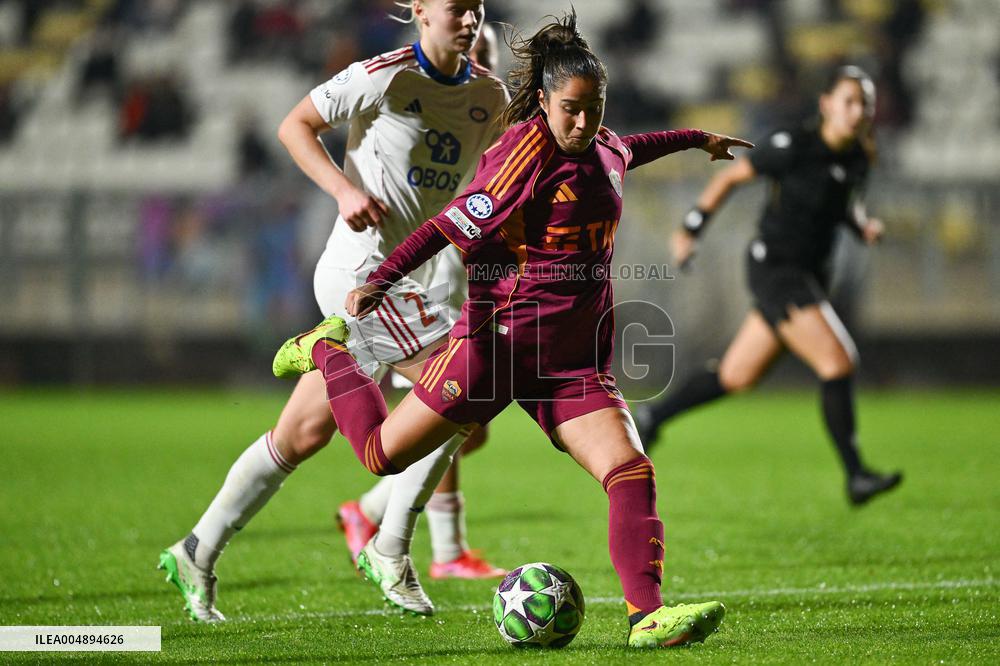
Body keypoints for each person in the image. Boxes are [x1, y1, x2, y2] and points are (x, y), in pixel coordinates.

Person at [272, 10, 752, 649]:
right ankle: (328, 351)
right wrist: (378, 282)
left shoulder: (604, 143)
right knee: (380, 454)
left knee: (631, 470)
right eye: (571, 110)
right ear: (546, 102)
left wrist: (696, 139)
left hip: (572, 365)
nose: (584, 123)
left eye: (594, 108)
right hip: (497, 347)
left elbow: (634, 148)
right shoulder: (520, 153)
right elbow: (448, 226)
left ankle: (648, 616)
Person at [158, 0, 508, 622]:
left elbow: (491, 180)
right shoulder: (385, 74)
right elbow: (294, 125)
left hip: (415, 285)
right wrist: (344, 190)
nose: (469, 20)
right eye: (456, 8)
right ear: (421, 10)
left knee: (301, 434)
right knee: (456, 395)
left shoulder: (491, 95)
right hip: (361, 279)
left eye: (476, 9)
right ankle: (390, 547)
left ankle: (196, 549)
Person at [632, 65, 902, 507]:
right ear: (826, 104)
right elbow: (730, 178)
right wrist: (690, 230)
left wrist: (862, 226)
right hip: (777, 270)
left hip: (808, 275)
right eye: (849, 101)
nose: (858, 112)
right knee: (838, 362)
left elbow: (843, 201)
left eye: (865, 104)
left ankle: (653, 416)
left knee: (736, 376)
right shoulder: (794, 145)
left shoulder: (856, 158)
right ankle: (856, 475)